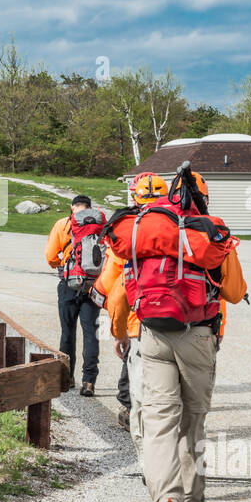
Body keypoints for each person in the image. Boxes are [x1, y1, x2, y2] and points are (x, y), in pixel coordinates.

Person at [100, 164, 247, 502]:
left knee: (158, 421)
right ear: (204, 197)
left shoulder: (145, 231)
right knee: (192, 420)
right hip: (197, 336)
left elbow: (118, 292)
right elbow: (233, 291)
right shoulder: (209, 233)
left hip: (151, 334)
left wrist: (121, 332)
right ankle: (191, 500)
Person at [99, 172, 168, 442]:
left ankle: (132, 413)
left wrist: (118, 330)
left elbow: (113, 285)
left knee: (136, 370)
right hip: (182, 319)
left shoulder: (129, 232)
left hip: (139, 318)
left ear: (135, 196)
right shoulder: (182, 227)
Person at [45, 194, 105, 396]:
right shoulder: (99, 224)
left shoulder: (64, 224)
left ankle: (67, 377)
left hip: (69, 284)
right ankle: (89, 381)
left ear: (72, 207)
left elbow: (50, 255)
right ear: (90, 207)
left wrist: (62, 266)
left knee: (67, 332)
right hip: (93, 286)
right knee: (91, 334)